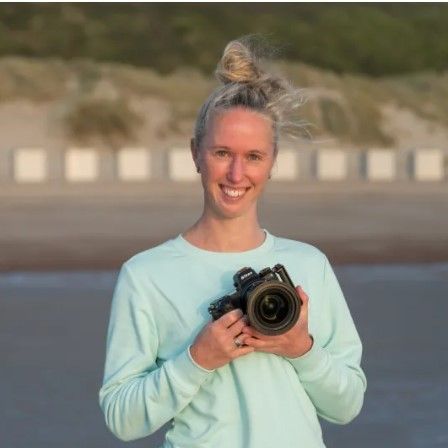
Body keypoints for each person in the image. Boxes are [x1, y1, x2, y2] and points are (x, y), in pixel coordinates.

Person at [98, 36, 367, 448]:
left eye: (254, 157)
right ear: (195, 154)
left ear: (273, 162)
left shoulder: (310, 265)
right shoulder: (146, 275)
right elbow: (121, 418)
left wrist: (301, 348)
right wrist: (197, 360)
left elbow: (347, 406)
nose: (236, 174)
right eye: (222, 153)